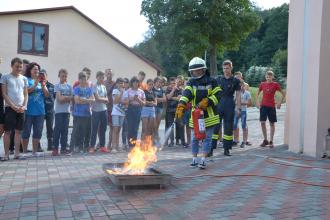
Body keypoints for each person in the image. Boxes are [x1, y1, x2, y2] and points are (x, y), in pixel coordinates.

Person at [176, 57, 221, 169]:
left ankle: (203, 160)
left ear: (202, 70)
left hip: (209, 116)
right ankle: (194, 160)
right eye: (192, 71)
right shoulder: (191, 82)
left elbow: (218, 95)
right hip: (196, 116)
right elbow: (187, 93)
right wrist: (181, 104)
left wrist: (207, 101)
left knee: (207, 138)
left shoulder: (212, 81)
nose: (194, 73)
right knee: (195, 138)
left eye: (196, 70)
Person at [212, 60, 241, 157]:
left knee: (228, 127)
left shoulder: (236, 81)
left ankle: (226, 149)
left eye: (227, 68)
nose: (225, 70)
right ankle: (211, 149)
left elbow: (238, 95)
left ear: (231, 68)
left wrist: (238, 107)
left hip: (229, 103)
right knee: (215, 126)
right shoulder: (218, 79)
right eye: (224, 68)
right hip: (219, 103)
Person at [1, 58, 27, 160]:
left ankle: (17, 154)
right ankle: (6, 155)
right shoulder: (5, 77)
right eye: (17, 66)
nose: (19, 68)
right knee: (7, 132)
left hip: (21, 109)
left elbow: (26, 94)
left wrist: (24, 106)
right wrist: (13, 106)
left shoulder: (24, 79)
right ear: (12, 66)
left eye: (20, 67)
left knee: (18, 132)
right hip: (10, 108)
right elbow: (4, 94)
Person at [22, 62, 49, 156]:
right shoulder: (26, 79)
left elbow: (47, 95)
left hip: (40, 111)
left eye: (38, 69)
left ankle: (34, 152)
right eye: (35, 69)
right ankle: (25, 151)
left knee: (38, 132)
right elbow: (26, 91)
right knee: (26, 132)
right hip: (29, 111)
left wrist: (42, 85)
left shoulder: (41, 81)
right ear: (30, 70)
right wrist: (35, 84)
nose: (37, 71)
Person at [256, 71, 285, 148]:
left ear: (272, 77)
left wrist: (279, 103)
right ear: (265, 77)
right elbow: (258, 93)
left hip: (271, 106)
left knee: (272, 123)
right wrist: (258, 102)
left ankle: (271, 141)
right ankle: (265, 140)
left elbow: (283, 93)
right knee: (262, 122)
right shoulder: (262, 84)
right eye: (267, 77)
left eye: (270, 77)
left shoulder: (275, 84)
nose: (268, 78)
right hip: (263, 106)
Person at [72, 72, 95, 152]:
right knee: (78, 131)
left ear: (86, 79)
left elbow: (93, 100)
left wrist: (83, 99)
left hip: (87, 113)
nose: (83, 80)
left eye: (84, 79)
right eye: (81, 79)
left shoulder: (89, 89)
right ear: (79, 79)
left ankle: (85, 147)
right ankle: (77, 146)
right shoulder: (76, 89)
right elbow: (77, 101)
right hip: (78, 114)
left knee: (87, 131)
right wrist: (87, 100)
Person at [52, 69, 72, 156]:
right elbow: (59, 100)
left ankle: (63, 148)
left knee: (65, 131)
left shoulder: (69, 87)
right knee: (57, 130)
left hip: (67, 112)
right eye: (62, 76)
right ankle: (55, 149)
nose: (64, 78)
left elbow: (72, 98)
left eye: (65, 76)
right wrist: (67, 98)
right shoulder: (57, 86)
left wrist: (65, 97)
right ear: (59, 76)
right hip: (59, 112)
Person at [90, 71, 109, 153]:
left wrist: (104, 99)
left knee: (103, 129)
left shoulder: (104, 87)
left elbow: (107, 98)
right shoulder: (94, 86)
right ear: (97, 77)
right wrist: (104, 99)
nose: (102, 79)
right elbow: (97, 98)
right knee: (94, 129)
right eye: (100, 77)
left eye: (103, 77)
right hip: (96, 110)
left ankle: (102, 146)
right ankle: (92, 147)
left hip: (104, 110)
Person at [124, 76, 145, 147]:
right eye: (134, 82)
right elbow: (126, 101)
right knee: (130, 127)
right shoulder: (128, 91)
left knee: (136, 127)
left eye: (137, 82)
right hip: (130, 109)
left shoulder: (141, 91)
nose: (135, 83)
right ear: (132, 83)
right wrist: (133, 98)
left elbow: (144, 103)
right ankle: (130, 143)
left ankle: (134, 142)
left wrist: (138, 99)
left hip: (138, 109)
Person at [39, 69, 55, 151]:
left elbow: (55, 98)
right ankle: (38, 145)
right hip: (40, 110)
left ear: (46, 75)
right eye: (40, 75)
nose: (41, 76)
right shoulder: (38, 85)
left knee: (50, 128)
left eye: (43, 74)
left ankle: (50, 145)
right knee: (39, 128)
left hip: (50, 110)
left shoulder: (52, 86)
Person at [233, 83, 252, 148]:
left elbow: (249, 103)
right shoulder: (236, 93)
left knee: (243, 125)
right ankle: (235, 140)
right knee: (235, 125)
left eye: (243, 86)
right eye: (240, 86)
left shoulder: (247, 93)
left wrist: (240, 102)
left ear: (245, 86)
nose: (241, 87)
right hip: (236, 111)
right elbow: (234, 102)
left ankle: (244, 141)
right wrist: (241, 103)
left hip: (243, 111)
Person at [111, 78, 127, 152]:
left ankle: (117, 146)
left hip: (122, 113)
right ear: (116, 84)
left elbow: (127, 102)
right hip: (115, 113)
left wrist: (121, 100)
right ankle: (114, 147)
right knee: (115, 129)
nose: (121, 84)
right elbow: (115, 101)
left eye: (122, 83)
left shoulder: (125, 92)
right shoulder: (115, 91)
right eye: (120, 83)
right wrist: (120, 93)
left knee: (119, 130)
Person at [165, 77, 181, 147]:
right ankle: (171, 141)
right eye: (172, 83)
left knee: (178, 125)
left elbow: (179, 98)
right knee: (170, 126)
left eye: (174, 83)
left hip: (177, 110)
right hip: (169, 110)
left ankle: (178, 141)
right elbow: (168, 97)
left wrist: (171, 97)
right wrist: (173, 90)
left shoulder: (179, 90)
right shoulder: (167, 89)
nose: (173, 85)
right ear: (169, 84)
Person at [153, 77, 166, 146]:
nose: (159, 83)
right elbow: (152, 98)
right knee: (154, 125)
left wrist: (157, 99)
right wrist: (157, 99)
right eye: (158, 82)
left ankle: (155, 139)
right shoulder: (152, 89)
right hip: (153, 108)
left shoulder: (162, 90)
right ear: (155, 82)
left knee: (157, 125)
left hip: (160, 108)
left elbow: (165, 99)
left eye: (160, 82)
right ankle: (155, 139)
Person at [104, 68, 115, 150]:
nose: (109, 75)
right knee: (101, 127)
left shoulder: (115, 84)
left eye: (110, 73)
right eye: (108, 73)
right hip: (104, 107)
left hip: (112, 108)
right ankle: (101, 143)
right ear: (105, 74)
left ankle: (109, 144)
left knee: (111, 127)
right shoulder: (103, 83)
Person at [121, 78, 130, 148]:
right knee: (124, 128)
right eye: (123, 83)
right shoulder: (121, 91)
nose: (125, 84)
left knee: (128, 128)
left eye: (126, 83)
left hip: (130, 111)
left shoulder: (130, 91)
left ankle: (129, 142)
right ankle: (124, 143)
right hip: (122, 111)